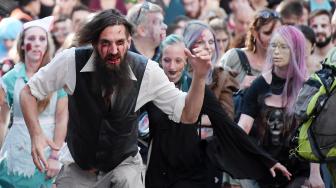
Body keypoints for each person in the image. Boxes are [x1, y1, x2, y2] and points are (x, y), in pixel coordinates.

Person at [20, 9, 212, 187]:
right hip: (80, 166)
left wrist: (200, 77)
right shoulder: (71, 61)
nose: (114, 51)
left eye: (120, 43)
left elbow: (188, 114)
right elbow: (28, 92)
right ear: (94, 43)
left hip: (123, 165)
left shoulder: (146, 71)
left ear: (129, 42)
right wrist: (35, 134)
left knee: (126, 179)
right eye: (106, 43)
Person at [145, 23, 291, 188]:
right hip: (159, 172)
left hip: (191, 173)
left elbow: (227, 125)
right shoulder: (152, 89)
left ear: (186, 60)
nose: (172, 67)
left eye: (178, 60)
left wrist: (266, 160)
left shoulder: (197, 89)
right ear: (160, 60)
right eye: (167, 60)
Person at [237, 25, 324, 187]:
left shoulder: (307, 87)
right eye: (274, 45)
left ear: (296, 51)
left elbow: (313, 133)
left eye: (284, 47)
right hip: (265, 168)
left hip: (299, 172)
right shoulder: (259, 85)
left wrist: (315, 174)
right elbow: (243, 127)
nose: (276, 51)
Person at [0, 16, 68, 188]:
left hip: (48, 154)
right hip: (15, 155)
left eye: (41, 39)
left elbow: (61, 118)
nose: (37, 43)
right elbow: (2, 120)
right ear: (22, 45)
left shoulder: (56, 77)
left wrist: (55, 156)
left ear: (47, 44)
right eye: (31, 39)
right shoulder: (9, 79)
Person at [222, 8, 282, 89]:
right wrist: (239, 86)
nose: (273, 38)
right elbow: (215, 90)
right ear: (254, 33)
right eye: (267, 33)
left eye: (277, 33)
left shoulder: (283, 63)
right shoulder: (234, 57)